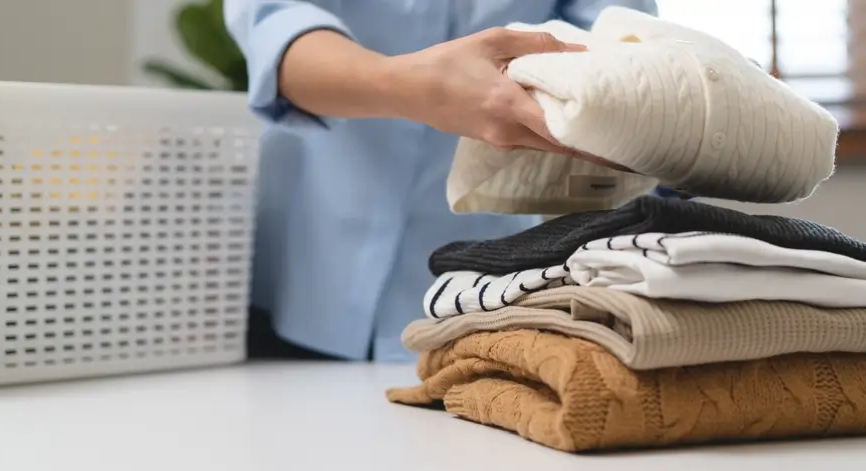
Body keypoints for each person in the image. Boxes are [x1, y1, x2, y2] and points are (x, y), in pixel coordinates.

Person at [224, 0, 662, 362]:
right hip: (296, 274)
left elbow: (619, 51)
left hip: (472, 297)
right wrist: (414, 86)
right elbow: (278, 29)